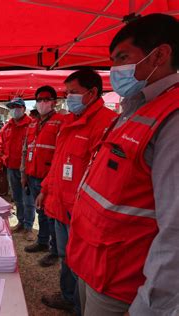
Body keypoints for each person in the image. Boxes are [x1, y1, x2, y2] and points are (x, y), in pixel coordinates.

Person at [67, 14, 179, 316]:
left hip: (124, 283)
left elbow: (176, 230)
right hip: (94, 265)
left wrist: (148, 306)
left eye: (123, 58)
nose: (114, 69)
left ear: (160, 55)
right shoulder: (134, 109)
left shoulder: (172, 118)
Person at [37, 69, 117, 314]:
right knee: (65, 256)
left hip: (82, 212)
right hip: (60, 204)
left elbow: (102, 176)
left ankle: (79, 305)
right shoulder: (69, 121)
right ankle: (68, 296)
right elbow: (59, 161)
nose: (68, 97)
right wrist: (45, 190)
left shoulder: (106, 123)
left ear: (92, 93)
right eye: (67, 92)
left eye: (73, 92)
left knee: (82, 262)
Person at [23, 86, 67, 267]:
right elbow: (26, 150)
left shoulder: (61, 122)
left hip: (49, 177)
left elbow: (61, 153)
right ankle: (42, 241)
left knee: (52, 215)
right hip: (32, 174)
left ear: (54, 102)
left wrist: (51, 181)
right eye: (39, 100)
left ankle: (55, 250)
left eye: (46, 99)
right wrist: (23, 174)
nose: (42, 103)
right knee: (40, 211)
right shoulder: (32, 123)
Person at [0, 97, 34, 240]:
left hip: (27, 169)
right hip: (11, 167)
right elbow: (1, 145)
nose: (14, 110)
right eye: (12, 107)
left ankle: (29, 227)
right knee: (17, 197)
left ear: (23, 108)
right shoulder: (7, 127)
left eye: (17, 107)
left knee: (28, 199)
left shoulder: (31, 125)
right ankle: (21, 222)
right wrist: (0, 161)